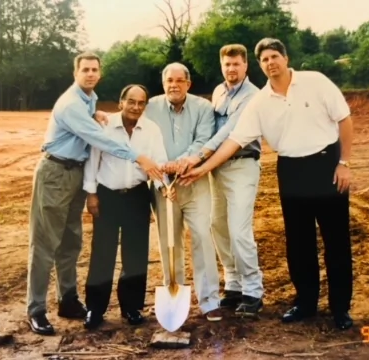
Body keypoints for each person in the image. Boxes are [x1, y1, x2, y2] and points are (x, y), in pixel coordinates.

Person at [180, 38, 354, 330]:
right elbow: (235, 140)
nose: (271, 63)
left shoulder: (315, 81)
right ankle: (306, 303)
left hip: (327, 164)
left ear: (285, 58)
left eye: (274, 56)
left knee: (336, 240)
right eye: (265, 60)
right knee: (298, 242)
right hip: (291, 168)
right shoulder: (260, 101)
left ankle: (340, 309)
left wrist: (344, 162)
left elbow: (344, 119)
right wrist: (203, 168)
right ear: (260, 66)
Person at [26, 52, 163, 336]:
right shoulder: (70, 103)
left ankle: (68, 300)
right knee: (45, 244)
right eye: (85, 69)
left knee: (70, 242)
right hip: (55, 173)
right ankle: (36, 309)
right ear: (75, 72)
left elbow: (92, 126)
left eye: (94, 70)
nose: (90, 74)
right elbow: (99, 139)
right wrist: (138, 158)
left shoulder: (89, 99)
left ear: (100, 74)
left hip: (75, 174)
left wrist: (95, 112)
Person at [177, 44, 263, 317]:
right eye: (227, 65)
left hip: (241, 166)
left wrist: (200, 156)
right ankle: (234, 284)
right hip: (217, 168)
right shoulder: (218, 92)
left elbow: (230, 130)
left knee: (239, 230)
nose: (231, 69)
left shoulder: (254, 96)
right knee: (218, 225)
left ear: (246, 66)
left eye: (236, 64)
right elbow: (209, 127)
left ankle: (253, 290)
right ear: (221, 66)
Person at [82, 84, 171, 329]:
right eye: (131, 101)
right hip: (107, 196)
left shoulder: (151, 129)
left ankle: (131, 307)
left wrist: (165, 185)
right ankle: (95, 309)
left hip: (137, 196)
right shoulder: (105, 125)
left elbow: (159, 162)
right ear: (121, 102)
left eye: (141, 103)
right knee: (102, 254)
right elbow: (92, 161)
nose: (136, 107)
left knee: (135, 254)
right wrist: (91, 195)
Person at [144, 62, 223, 322]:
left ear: (189, 84)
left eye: (180, 81)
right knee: (169, 242)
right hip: (162, 184)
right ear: (163, 83)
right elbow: (144, 139)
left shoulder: (203, 108)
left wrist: (182, 162)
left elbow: (203, 140)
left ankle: (210, 301)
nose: (174, 85)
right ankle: (173, 296)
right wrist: (162, 174)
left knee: (201, 236)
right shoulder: (151, 107)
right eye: (169, 81)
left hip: (193, 181)